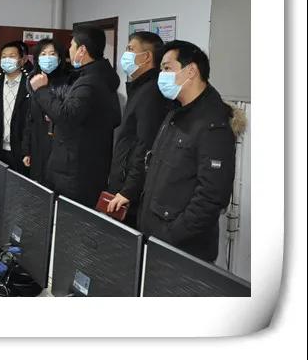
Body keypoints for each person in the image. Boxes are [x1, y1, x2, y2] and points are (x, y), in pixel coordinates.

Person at [136, 40, 245, 262]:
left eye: (167, 68)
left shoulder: (213, 123)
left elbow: (211, 198)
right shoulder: (176, 112)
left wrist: (170, 235)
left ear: (191, 71)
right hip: (155, 239)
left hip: (181, 250)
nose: (162, 76)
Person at [30, 26, 121, 207]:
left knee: (68, 218)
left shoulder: (89, 81)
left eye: (72, 45)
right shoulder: (99, 76)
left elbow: (66, 117)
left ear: (82, 50)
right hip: (86, 164)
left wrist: (41, 91)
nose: (69, 50)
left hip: (75, 170)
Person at [106, 32, 170, 227]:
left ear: (147, 56)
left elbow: (145, 145)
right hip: (123, 184)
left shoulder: (151, 92)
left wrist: (128, 190)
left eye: (130, 49)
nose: (125, 54)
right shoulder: (139, 88)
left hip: (131, 193)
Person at [21, 38, 71, 185]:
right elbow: (30, 119)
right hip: (38, 147)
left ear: (60, 58)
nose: (48, 57)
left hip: (60, 149)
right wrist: (27, 150)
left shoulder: (69, 82)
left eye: (52, 54)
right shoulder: (33, 81)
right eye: (43, 54)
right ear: (37, 59)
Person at [0, 41, 30, 173]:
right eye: (4, 56)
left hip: (21, 151)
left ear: (22, 60)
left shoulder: (30, 84)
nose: (7, 59)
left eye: (12, 56)